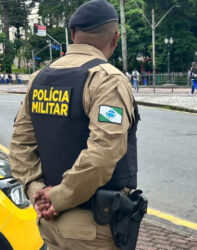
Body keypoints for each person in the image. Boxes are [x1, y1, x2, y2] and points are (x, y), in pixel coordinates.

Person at [9, 0, 143, 249]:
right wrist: (57, 198)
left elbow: (20, 145)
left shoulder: (39, 79)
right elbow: (103, 153)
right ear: (115, 39)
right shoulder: (107, 80)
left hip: (50, 224)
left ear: (72, 35)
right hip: (93, 227)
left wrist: (36, 191)